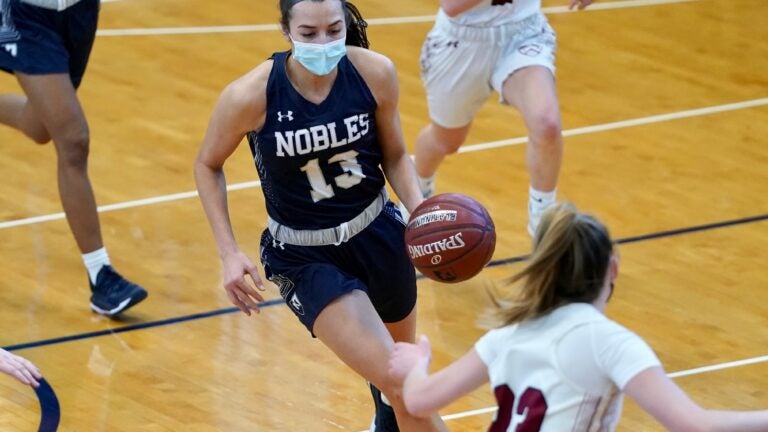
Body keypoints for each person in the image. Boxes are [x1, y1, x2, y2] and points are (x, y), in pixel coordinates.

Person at [194, 1, 447, 431]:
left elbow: (397, 155)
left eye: (334, 30)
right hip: (306, 256)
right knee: (405, 382)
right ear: (285, 30)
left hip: (379, 232)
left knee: (394, 388)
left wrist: (419, 212)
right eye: (309, 34)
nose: (324, 43)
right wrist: (228, 252)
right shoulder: (250, 95)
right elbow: (207, 164)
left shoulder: (374, 72)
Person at [389, 203, 768, 431]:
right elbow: (694, 425)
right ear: (613, 269)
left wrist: (417, 364)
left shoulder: (509, 335)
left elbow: (420, 401)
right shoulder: (609, 342)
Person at [0, 0, 147, 317]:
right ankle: (101, 277)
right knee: (73, 140)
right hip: (24, 16)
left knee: (40, 126)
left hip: (79, 11)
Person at [411, 0, 594, 236]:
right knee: (446, 141)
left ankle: (543, 225)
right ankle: (417, 192)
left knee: (546, 124)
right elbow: (451, 5)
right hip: (460, 42)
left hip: (523, 33)